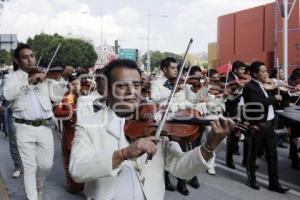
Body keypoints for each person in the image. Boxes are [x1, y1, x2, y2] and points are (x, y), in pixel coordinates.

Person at [69, 59, 235, 200]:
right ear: (107, 89)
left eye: (136, 85)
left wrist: (209, 147)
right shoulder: (89, 125)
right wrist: (123, 154)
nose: (131, 92)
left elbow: (180, 167)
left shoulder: (156, 122)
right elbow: (77, 170)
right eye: (122, 86)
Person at [3, 43, 73, 200]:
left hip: (45, 126)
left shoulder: (44, 76)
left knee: (46, 165)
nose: (30, 60)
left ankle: (39, 186)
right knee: (29, 168)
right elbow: (7, 95)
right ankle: (33, 197)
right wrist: (27, 81)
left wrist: (63, 79)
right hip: (22, 127)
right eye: (25, 57)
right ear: (17, 61)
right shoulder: (11, 77)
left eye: (32, 56)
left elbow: (55, 97)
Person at [243, 61, 289, 193]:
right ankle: (252, 180)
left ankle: (274, 183)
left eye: (266, 71)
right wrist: (274, 98)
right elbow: (257, 103)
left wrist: (282, 98)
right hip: (256, 125)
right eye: (262, 72)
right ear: (254, 73)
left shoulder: (265, 86)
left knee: (272, 155)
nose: (266, 74)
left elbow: (273, 102)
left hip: (269, 126)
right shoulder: (249, 87)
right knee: (252, 155)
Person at [150, 57, 193, 195]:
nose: (176, 70)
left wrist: (193, 106)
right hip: (165, 121)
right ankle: (166, 179)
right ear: (164, 69)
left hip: (180, 119)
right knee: (165, 150)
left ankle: (182, 182)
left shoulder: (179, 83)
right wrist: (172, 91)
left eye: (176, 68)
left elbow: (185, 101)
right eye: (173, 68)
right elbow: (154, 97)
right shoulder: (156, 83)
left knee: (184, 150)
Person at [53, 73, 84, 192]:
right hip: (70, 132)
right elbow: (57, 112)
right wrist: (72, 111)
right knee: (70, 158)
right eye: (73, 84)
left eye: (78, 84)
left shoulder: (86, 96)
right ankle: (72, 185)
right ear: (69, 85)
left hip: (84, 133)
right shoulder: (65, 97)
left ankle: (85, 184)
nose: (76, 87)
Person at [225, 60, 246, 169]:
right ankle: (229, 160)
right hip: (233, 108)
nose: (244, 72)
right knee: (233, 134)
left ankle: (236, 149)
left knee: (239, 132)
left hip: (243, 108)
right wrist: (238, 87)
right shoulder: (228, 78)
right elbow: (229, 94)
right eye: (242, 69)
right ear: (235, 70)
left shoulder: (243, 79)